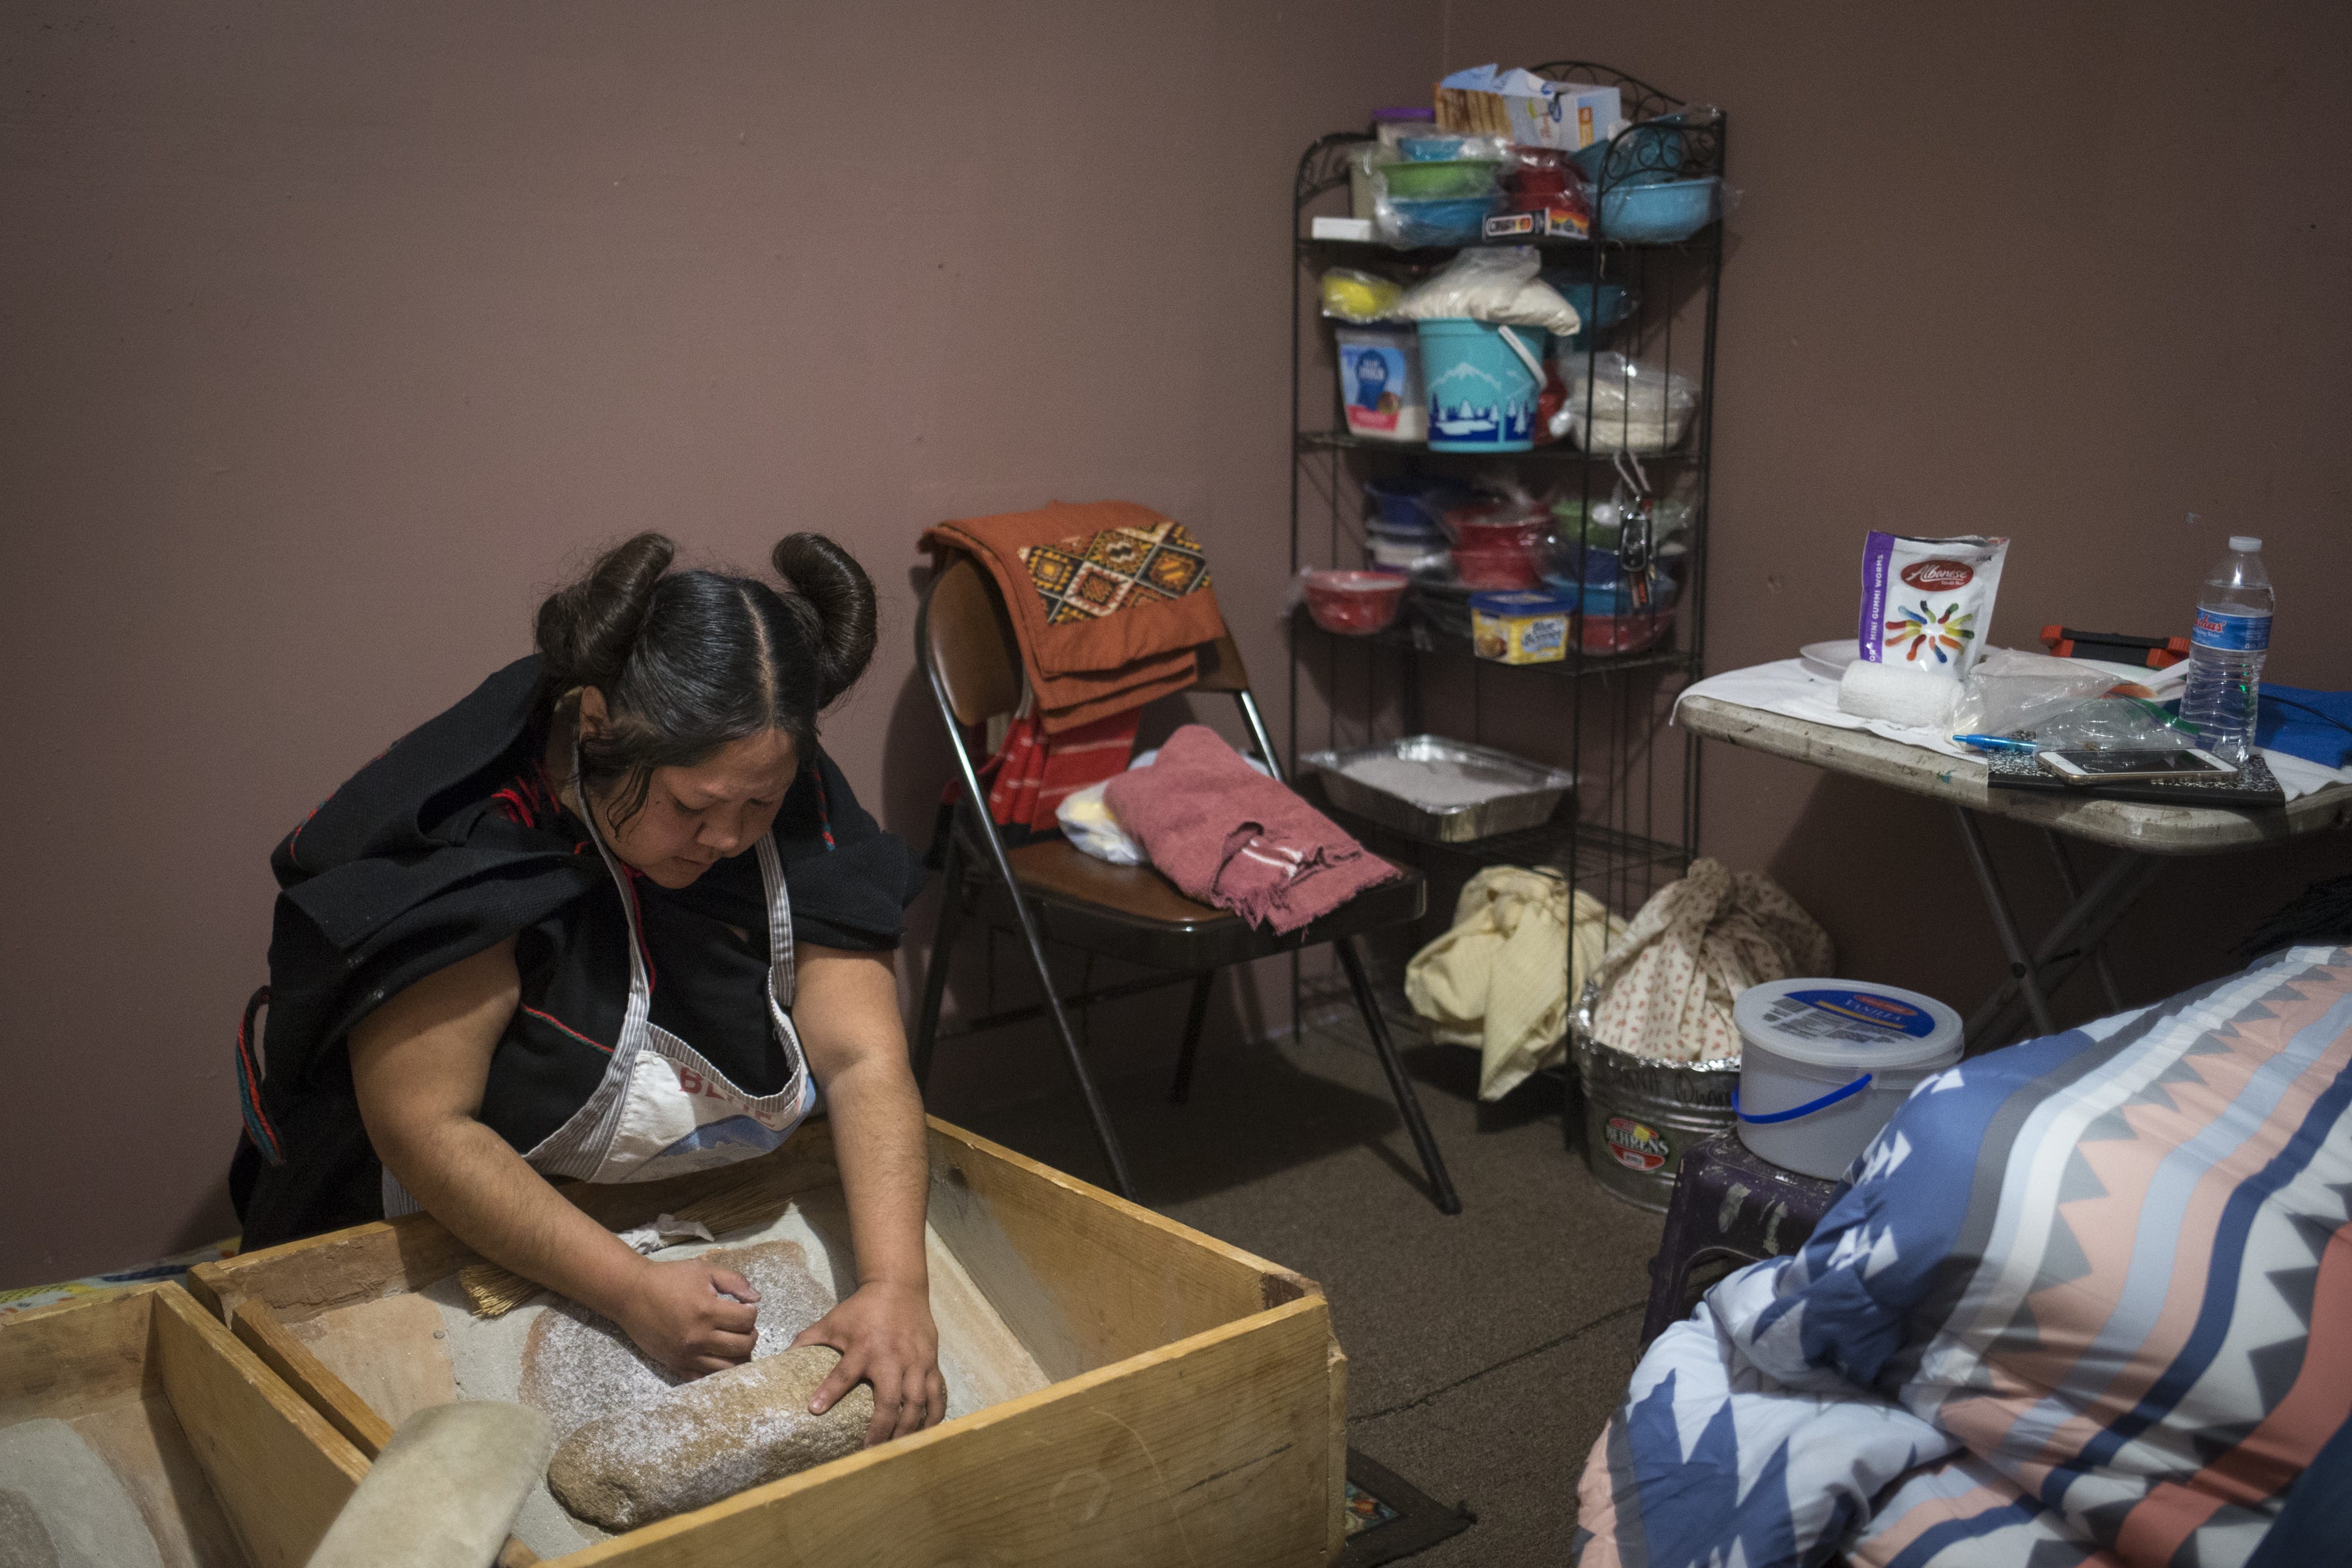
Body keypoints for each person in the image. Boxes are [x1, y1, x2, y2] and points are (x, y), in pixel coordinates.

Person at [228, 532, 941, 1444]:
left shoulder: (770, 773)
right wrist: (629, 1290)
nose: (727, 838)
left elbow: (864, 1055)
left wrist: (893, 1287)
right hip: (432, 1222)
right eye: (692, 808)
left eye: (757, 806)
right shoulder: (475, 837)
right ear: (599, 729)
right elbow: (423, 1124)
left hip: (681, 1202)